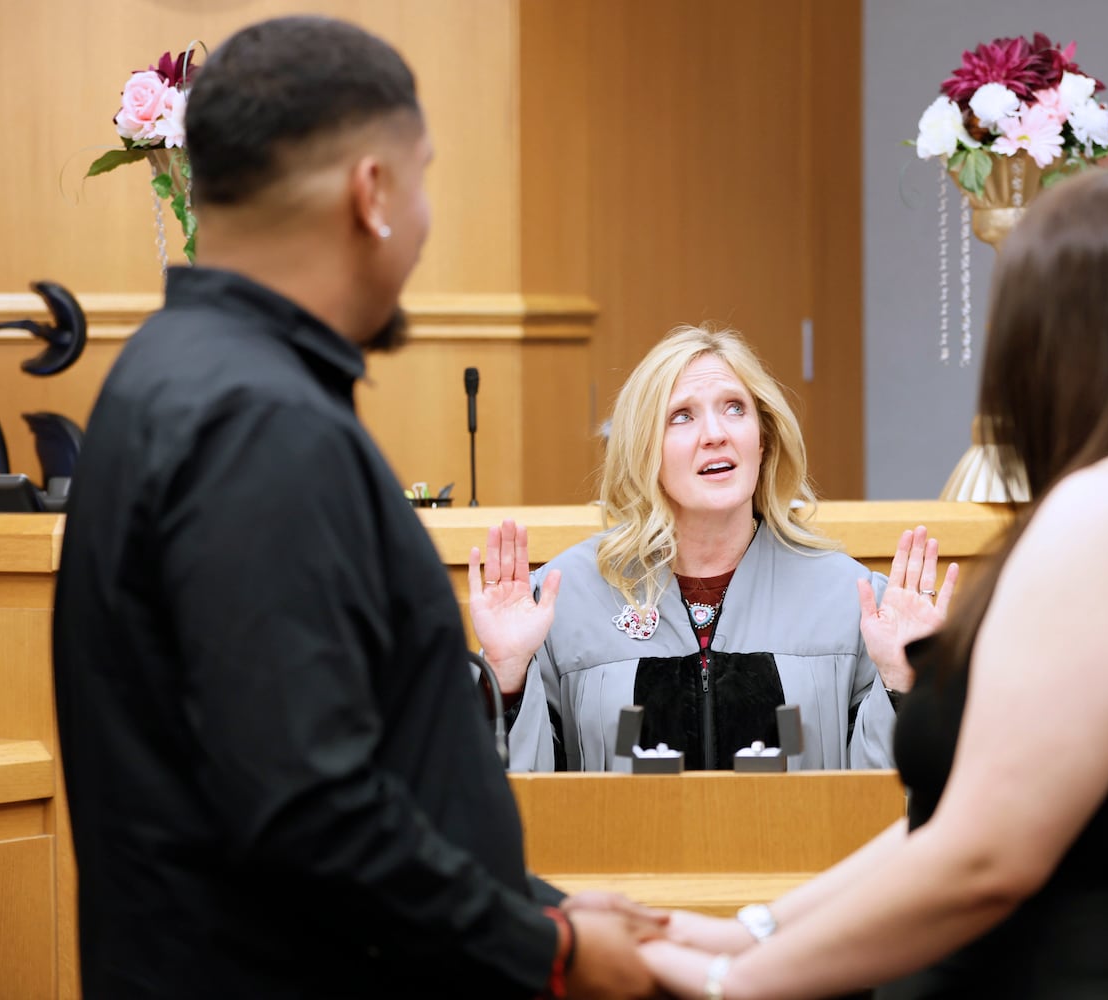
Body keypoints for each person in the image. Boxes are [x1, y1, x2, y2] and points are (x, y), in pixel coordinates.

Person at [53, 16, 656, 999]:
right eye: (420, 180)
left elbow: (343, 765)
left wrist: (537, 908)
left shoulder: (172, 375)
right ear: (373, 192)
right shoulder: (259, 420)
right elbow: (310, 809)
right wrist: (551, 952)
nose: (422, 222)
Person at [639, 169, 1108, 998]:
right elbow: (960, 819)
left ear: (1057, 336)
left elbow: (986, 859)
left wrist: (731, 989)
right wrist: (751, 933)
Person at [469, 325, 959, 771]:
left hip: (804, 870)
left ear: (762, 440)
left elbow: (884, 814)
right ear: (644, 451)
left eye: (734, 408)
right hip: (624, 868)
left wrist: (903, 680)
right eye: (681, 416)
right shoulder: (566, 600)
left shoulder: (849, 601)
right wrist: (506, 676)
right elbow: (514, 809)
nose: (715, 434)